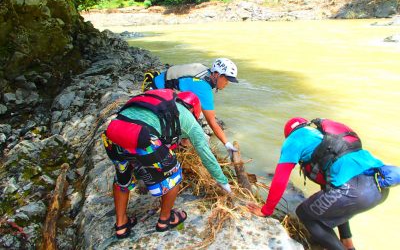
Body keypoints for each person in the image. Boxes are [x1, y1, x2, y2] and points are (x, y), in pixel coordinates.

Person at [247, 117, 396, 250]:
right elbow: (334, 195)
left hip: (355, 191)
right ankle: (348, 244)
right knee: (335, 205)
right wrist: (346, 238)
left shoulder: (294, 140)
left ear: (288, 134)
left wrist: (266, 210)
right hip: (380, 187)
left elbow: (280, 179)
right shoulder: (325, 139)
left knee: (305, 214)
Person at [102, 89, 232, 239]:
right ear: (192, 111)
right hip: (142, 136)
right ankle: (165, 219)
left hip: (113, 133)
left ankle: (121, 224)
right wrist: (223, 182)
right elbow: (206, 154)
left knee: (122, 178)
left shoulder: (161, 103)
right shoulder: (188, 120)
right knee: (174, 173)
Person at [145, 58, 239, 156]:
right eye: (226, 79)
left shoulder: (204, 71)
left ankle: (183, 139)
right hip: (154, 97)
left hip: (154, 85)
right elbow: (212, 122)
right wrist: (227, 144)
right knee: (193, 112)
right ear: (216, 74)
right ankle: (178, 142)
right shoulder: (203, 88)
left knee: (195, 107)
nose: (227, 83)